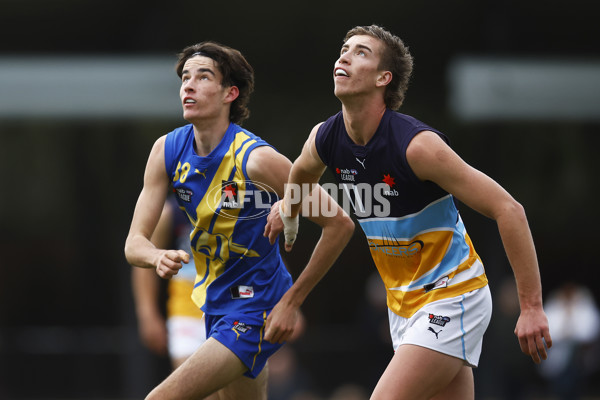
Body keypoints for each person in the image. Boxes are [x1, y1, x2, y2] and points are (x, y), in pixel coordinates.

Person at [263, 25, 552, 399]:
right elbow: (301, 173)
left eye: (361, 52)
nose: (344, 57)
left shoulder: (417, 147)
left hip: (454, 294)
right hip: (402, 305)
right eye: (344, 49)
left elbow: (508, 209)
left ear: (385, 78)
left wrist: (531, 306)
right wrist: (288, 207)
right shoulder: (326, 138)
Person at [124, 41, 353, 400]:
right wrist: (156, 256)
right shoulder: (166, 151)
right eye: (185, 77)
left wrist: (292, 302)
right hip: (212, 303)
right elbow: (134, 244)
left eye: (203, 77)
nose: (188, 85)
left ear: (231, 93)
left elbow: (339, 224)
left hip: (254, 307)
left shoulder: (257, 160)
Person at [131, 195, 207, 369]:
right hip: (187, 313)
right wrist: (147, 314)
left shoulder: (239, 201)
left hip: (233, 306)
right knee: (192, 386)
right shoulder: (171, 212)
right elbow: (144, 264)